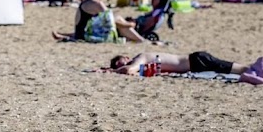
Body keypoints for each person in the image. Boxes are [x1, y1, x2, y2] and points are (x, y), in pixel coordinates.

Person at [51, 0, 156, 44]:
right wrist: (130, 24)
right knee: (119, 20)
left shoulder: (88, 0)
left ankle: (65, 36)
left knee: (117, 18)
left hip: (81, 32)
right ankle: (141, 40)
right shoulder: (98, 4)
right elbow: (111, 22)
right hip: (87, 35)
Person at [103, 51, 250, 76]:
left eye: (120, 60)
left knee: (236, 69)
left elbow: (129, 70)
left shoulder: (141, 57)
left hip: (196, 61)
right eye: (117, 64)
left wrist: (112, 71)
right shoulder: (141, 63)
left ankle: (260, 70)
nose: (119, 64)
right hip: (195, 63)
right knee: (230, 68)